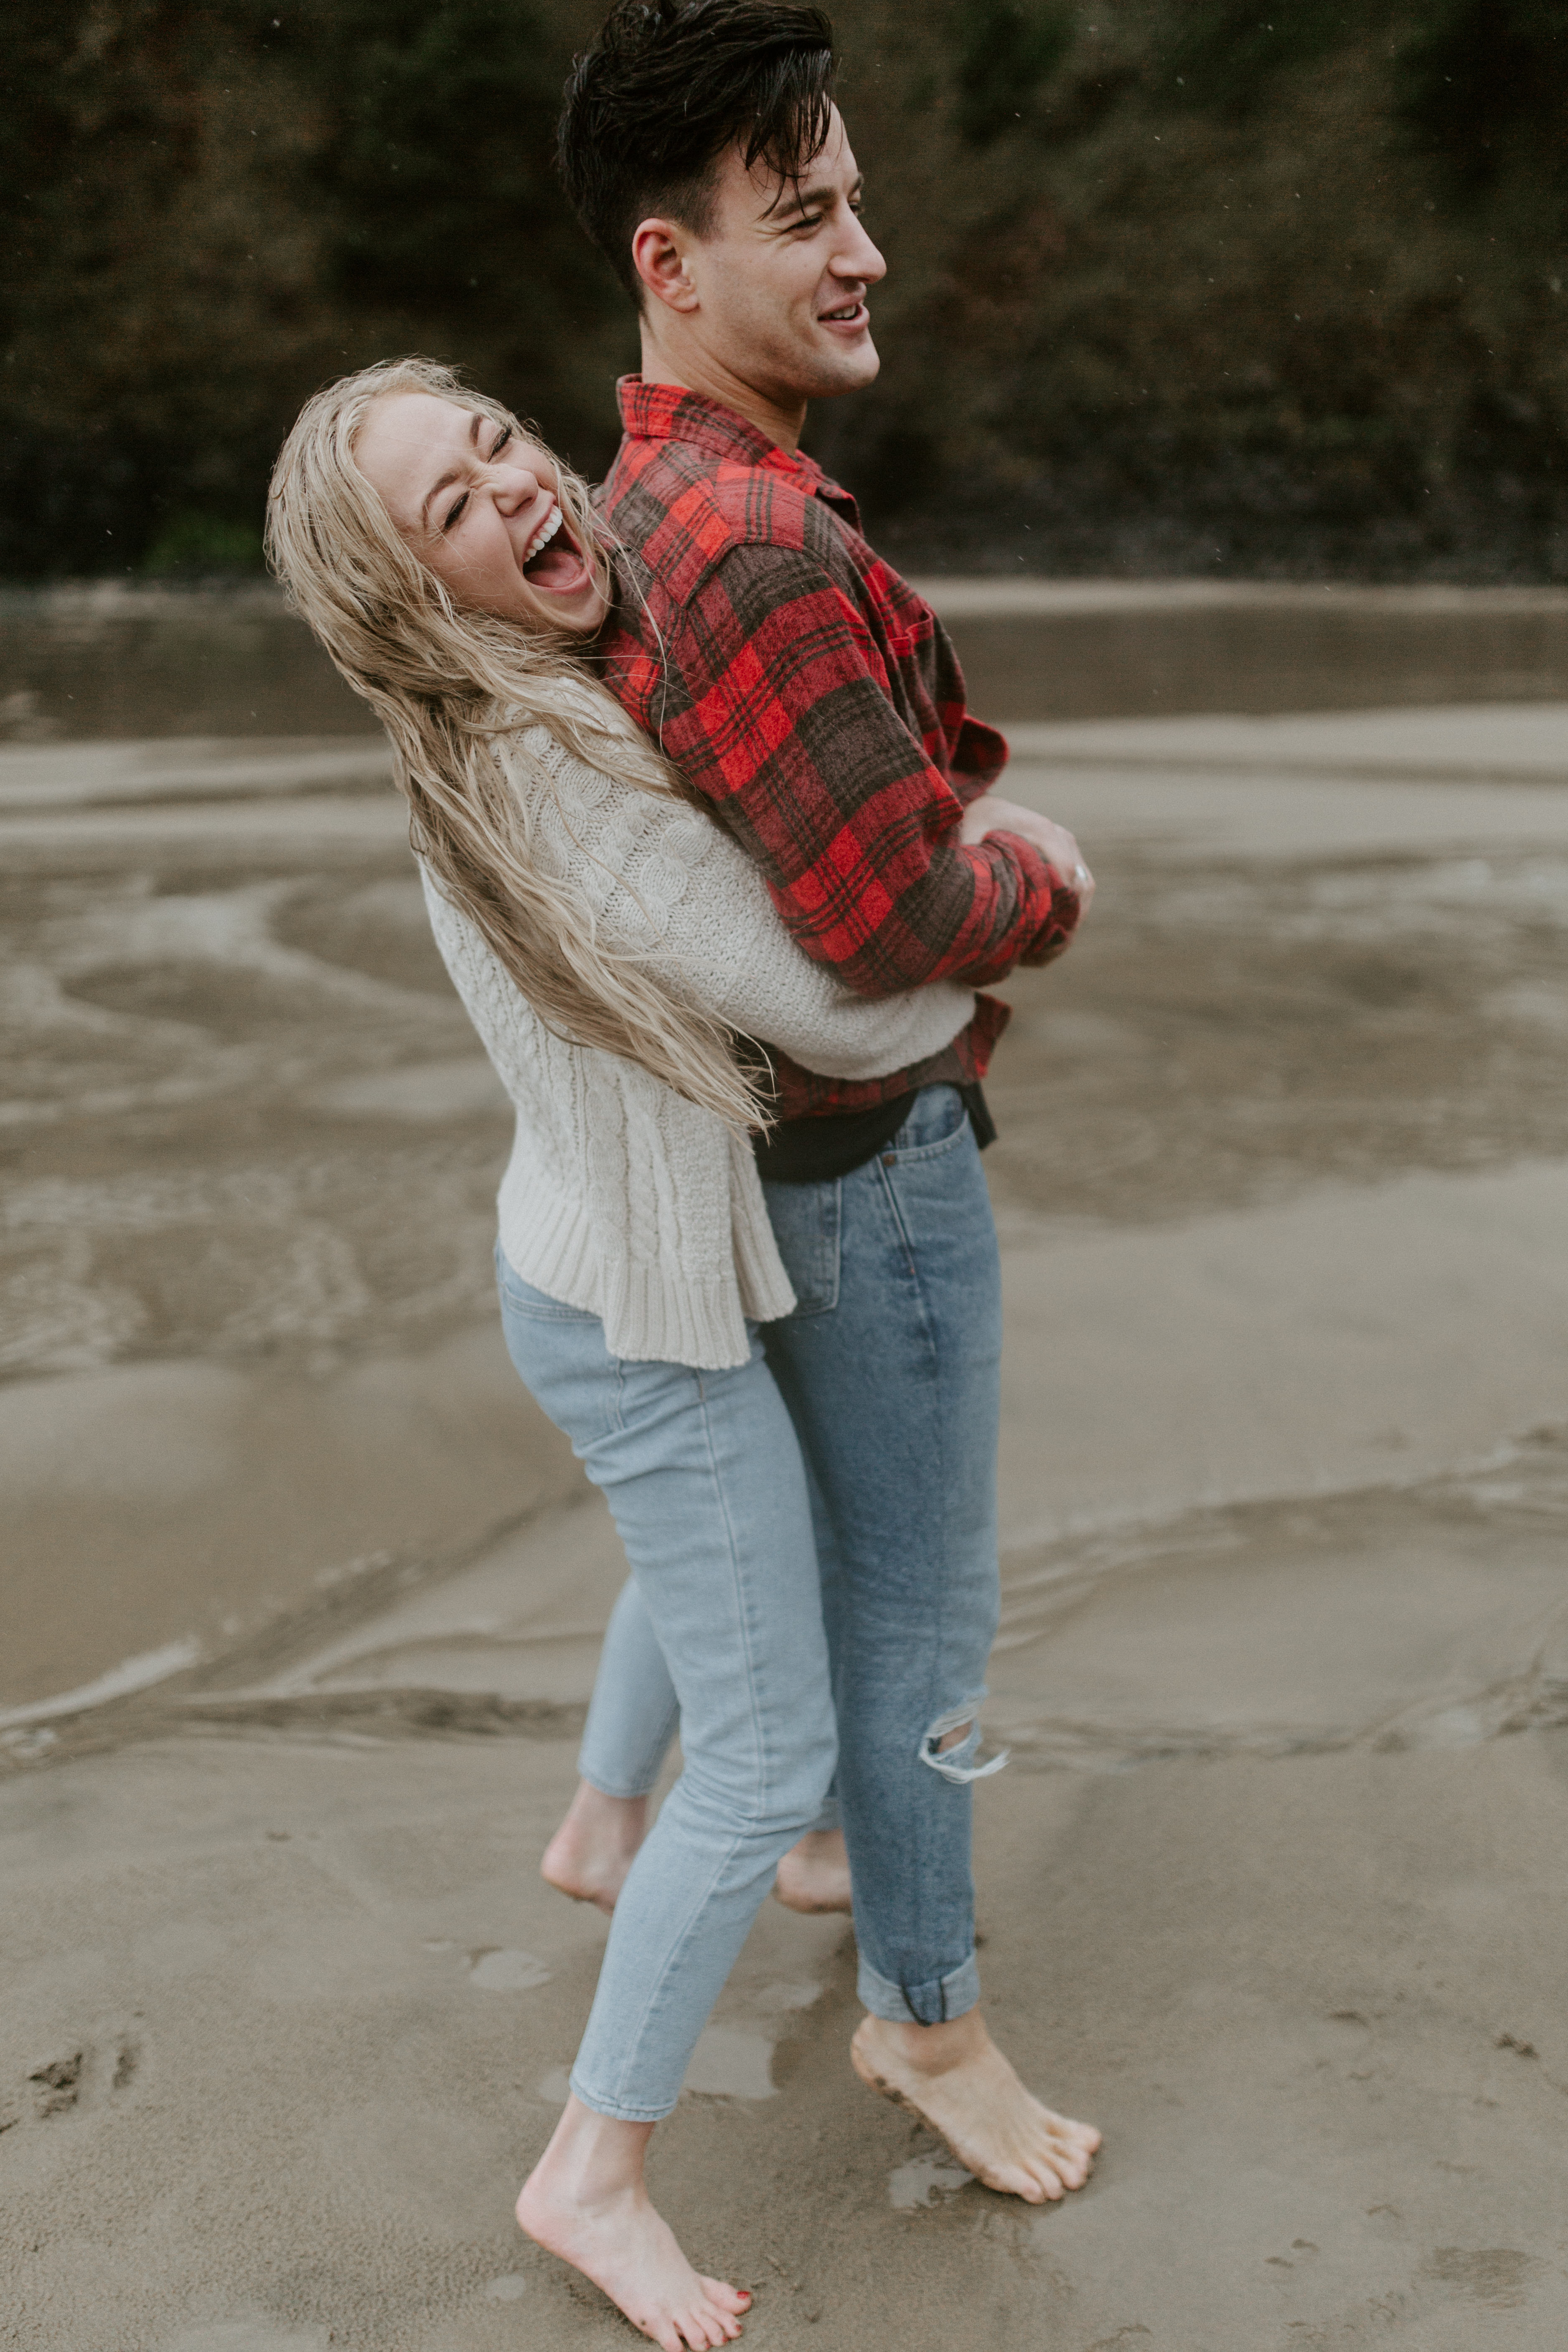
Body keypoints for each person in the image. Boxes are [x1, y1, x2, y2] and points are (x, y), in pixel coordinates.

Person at [265, 355, 1020, 2352]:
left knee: (722, 1572)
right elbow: (849, 1013)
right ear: (409, 600)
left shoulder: (517, 711)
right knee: (771, 1750)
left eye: (500, 440)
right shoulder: (549, 765)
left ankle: (602, 1817)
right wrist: (1038, 883)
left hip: (617, 1260)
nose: (513, 489)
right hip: (640, 1306)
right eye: (447, 508)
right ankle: (590, 2168)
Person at [548, 0, 1103, 2242]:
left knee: (842, 1587)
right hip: (869, 1184)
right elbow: (883, 913)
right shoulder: (753, 537)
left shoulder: (636, 510)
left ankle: (805, 1856)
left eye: (854, 197)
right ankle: (930, 2016)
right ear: (671, 266)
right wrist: (1045, 878)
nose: (861, 248)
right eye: (806, 217)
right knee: (927, 1630)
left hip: (756, 1160)